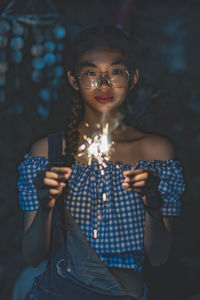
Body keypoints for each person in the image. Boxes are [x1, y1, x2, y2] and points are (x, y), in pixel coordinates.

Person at [17, 25, 185, 300]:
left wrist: (153, 207)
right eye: (91, 73)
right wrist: (45, 205)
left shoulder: (154, 153)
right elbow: (32, 255)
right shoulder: (49, 152)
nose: (103, 84)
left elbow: (158, 257)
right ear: (74, 80)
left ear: (132, 78)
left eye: (115, 72)